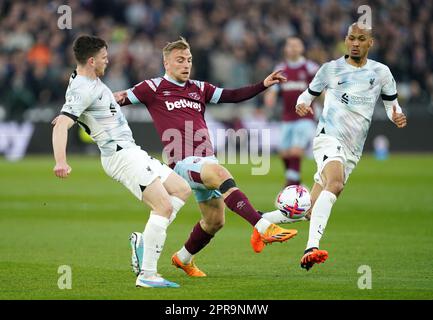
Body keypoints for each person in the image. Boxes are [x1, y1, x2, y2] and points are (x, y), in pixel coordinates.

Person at [114, 37, 297, 277]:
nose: (186, 64)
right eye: (180, 60)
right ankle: (262, 227)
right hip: (180, 163)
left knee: (214, 221)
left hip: (205, 160)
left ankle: (183, 258)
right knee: (220, 174)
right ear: (166, 63)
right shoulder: (152, 87)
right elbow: (116, 99)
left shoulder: (199, 88)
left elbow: (232, 95)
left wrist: (263, 84)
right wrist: (77, 109)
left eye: (188, 60)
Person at [52, 35, 192, 288]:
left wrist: (68, 112)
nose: (108, 61)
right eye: (105, 58)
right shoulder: (83, 88)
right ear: (92, 60)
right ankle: (148, 275)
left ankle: (143, 242)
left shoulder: (88, 80)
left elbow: (70, 109)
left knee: (181, 189)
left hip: (131, 150)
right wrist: (60, 161)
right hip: (121, 155)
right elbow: (62, 124)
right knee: (163, 207)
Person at [293, 23, 407, 270]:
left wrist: (397, 115)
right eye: (351, 38)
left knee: (309, 210)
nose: (355, 43)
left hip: (353, 148)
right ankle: (311, 247)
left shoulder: (381, 73)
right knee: (336, 183)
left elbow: (391, 105)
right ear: (346, 40)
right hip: (328, 137)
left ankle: (263, 223)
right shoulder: (331, 69)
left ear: (370, 43)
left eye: (361, 39)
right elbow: (307, 95)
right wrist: (302, 105)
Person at [264, 36, 319, 187]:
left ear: (302, 48)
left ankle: (290, 184)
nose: (293, 48)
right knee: (284, 153)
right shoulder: (281, 69)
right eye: (290, 46)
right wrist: (270, 97)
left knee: (295, 151)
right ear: (285, 49)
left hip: (305, 117)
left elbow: (321, 88)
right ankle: (296, 183)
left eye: (296, 45)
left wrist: (326, 103)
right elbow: (274, 89)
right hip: (287, 117)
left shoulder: (310, 68)